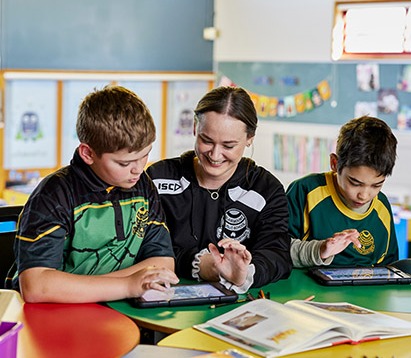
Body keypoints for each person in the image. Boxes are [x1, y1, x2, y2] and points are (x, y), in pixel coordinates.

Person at [8, 86, 177, 302]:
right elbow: (36, 286)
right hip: (49, 318)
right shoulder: (53, 195)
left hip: (117, 312)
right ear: (88, 153)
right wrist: (128, 285)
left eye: (145, 155)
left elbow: (163, 264)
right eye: (124, 162)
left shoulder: (143, 185)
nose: (138, 169)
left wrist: (99, 287)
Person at [147, 86, 292, 291]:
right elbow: (143, 247)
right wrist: (200, 265)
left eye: (228, 146)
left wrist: (245, 273)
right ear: (195, 128)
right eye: (206, 141)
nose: (215, 155)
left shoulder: (267, 189)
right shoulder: (157, 178)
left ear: (250, 138)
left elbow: (277, 254)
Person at [286, 116, 398, 267]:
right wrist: (320, 250)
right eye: (355, 183)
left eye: (377, 185)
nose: (364, 195)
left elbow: (390, 268)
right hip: (308, 289)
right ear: (334, 164)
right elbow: (274, 250)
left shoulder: (382, 206)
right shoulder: (305, 191)